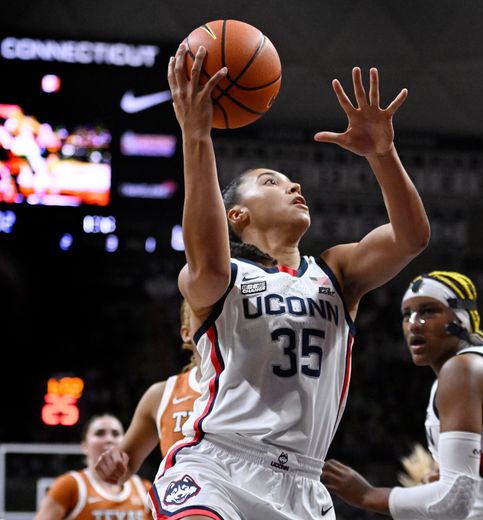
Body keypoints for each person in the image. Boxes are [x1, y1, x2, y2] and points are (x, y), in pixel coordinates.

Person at [147, 43, 429, 520]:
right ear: (236, 214)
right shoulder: (222, 278)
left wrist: (383, 153)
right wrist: (197, 136)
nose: (295, 186)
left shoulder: (336, 272)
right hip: (217, 468)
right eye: (272, 182)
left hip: (302, 482)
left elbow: (412, 238)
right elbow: (209, 258)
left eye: (291, 181)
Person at [322, 271, 483, 519]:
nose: (414, 323)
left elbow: (454, 500)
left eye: (429, 311)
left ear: (460, 319)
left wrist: (366, 494)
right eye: (407, 314)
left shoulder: (462, 370)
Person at [95, 301, 201, 485]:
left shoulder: (257, 386)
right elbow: (122, 471)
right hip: (184, 504)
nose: (214, 322)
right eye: (204, 316)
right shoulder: (161, 395)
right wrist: (111, 466)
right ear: (186, 333)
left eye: (221, 315)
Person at [34, 414, 153, 520]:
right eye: (100, 433)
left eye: (115, 434)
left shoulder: (144, 489)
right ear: (84, 446)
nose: (109, 439)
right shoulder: (70, 485)